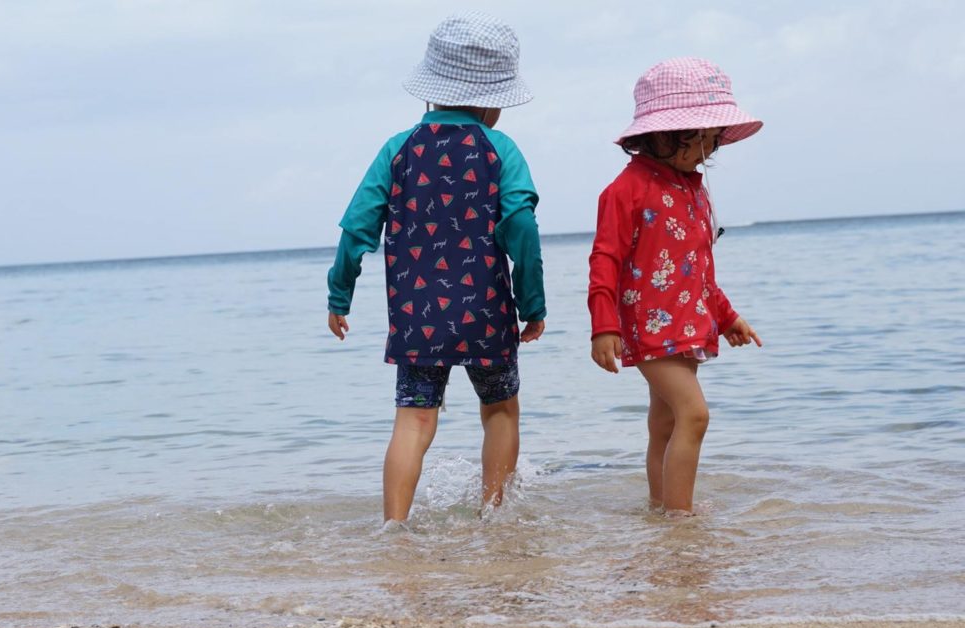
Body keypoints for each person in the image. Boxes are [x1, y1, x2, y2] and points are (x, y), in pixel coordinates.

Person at [327, 12, 546, 522]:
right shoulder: (500, 149)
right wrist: (532, 305)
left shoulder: (397, 149)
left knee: (413, 422)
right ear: (493, 97)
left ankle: (394, 529)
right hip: (486, 314)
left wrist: (340, 296)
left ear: (434, 88)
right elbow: (523, 231)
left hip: (417, 318)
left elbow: (356, 229)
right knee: (499, 411)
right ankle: (493, 519)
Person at [588, 57, 763, 515]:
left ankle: (660, 510)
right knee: (695, 414)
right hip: (649, 326)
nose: (708, 151)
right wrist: (603, 326)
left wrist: (727, 317)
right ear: (661, 134)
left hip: (689, 325)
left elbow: (698, 268)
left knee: (664, 423)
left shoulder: (694, 190)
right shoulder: (625, 191)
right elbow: (605, 260)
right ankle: (681, 521)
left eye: (713, 141)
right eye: (700, 138)